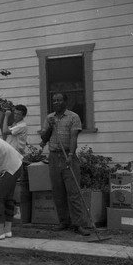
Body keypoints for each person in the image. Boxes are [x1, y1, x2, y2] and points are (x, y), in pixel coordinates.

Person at [39, 92, 91, 236]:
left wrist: (70, 155)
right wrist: (50, 126)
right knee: (58, 192)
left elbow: (74, 138)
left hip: (68, 156)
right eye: (54, 101)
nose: (56, 103)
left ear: (65, 102)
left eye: (59, 100)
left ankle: (79, 224)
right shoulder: (49, 118)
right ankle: (64, 222)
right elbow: (44, 137)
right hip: (54, 157)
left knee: (73, 192)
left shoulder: (73, 117)